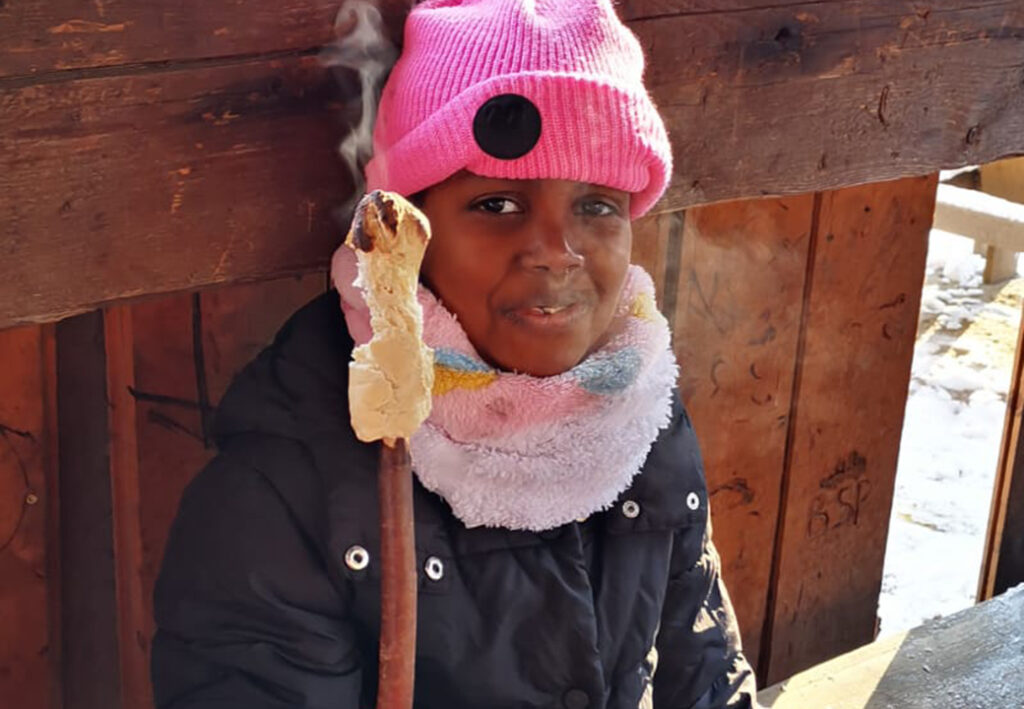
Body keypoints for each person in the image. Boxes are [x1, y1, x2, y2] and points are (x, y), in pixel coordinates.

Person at [150, 1, 760, 707]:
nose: (557, 253)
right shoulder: (286, 491)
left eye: (596, 205)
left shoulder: (636, 402)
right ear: (410, 230)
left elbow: (704, 674)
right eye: (498, 204)